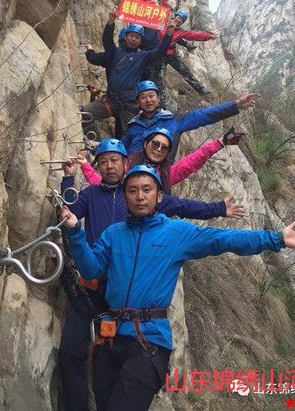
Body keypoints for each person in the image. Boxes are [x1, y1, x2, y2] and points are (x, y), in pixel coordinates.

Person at [61, 165, 295, 411]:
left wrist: (276, 238)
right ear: (125, 196)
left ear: (159, 196)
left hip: (148, 342)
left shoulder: (176, 233)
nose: (140, 196)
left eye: (147, 189)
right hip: (110, 340)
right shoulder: (113, 234)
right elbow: (91, 269)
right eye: (133, 190)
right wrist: (75, 232)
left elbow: (224, 239)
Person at [58, 140, 246, 411]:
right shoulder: (93, 196)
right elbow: (69, 213)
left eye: (115, 160)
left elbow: (184, 206)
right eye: (104, 161)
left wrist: (218, 208)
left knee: (117, 376)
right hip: (93, 287)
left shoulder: (144, 197)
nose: (109, 166)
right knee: (72, 351)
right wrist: (68, 180)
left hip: (124, 302)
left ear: (126, 164)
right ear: (97, 166)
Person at [77, 125, 245, 198]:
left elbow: (192, 161)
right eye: (155, 144)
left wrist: (220, 142)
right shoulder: (129, 164)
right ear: (146, 144)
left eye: (164, 148)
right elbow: (104, 183)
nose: (158, 149)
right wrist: (85, 165)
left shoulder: (165, 175)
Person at [82, 10, 174, 139]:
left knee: (130, 137)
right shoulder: (115, 52)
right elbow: (107, 41)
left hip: (129, 105)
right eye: (131, 36)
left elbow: (159, 52)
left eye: (137, 37)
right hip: (111, 100)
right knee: (86, 113)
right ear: (126, 36)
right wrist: (110, 22)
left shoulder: (142, 56)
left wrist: (168, 34)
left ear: (140, 41)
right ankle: (95, 144)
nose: (134, 39)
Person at [121, 80, 259, 156]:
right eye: (143, 97)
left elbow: (204, 115)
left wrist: (235, 105)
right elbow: (120, 151)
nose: (148, 100)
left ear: (158, 98)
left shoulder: (174, 119)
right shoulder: (133, 126)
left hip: (159, 180)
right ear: (138, 102)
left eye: (151, 96)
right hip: (130, 180)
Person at [151, 9, 217, 99]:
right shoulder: (163, 24)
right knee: (159, 79)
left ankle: (200, 89)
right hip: (160, 55)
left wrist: (208, 36)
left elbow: (194, 35)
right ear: (174, 16)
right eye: (178, 17)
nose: (179, 20)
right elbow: (152, 23)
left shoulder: (180, 32)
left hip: (172, 55)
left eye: (181, 20)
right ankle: (161, 101)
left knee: (185, 71)